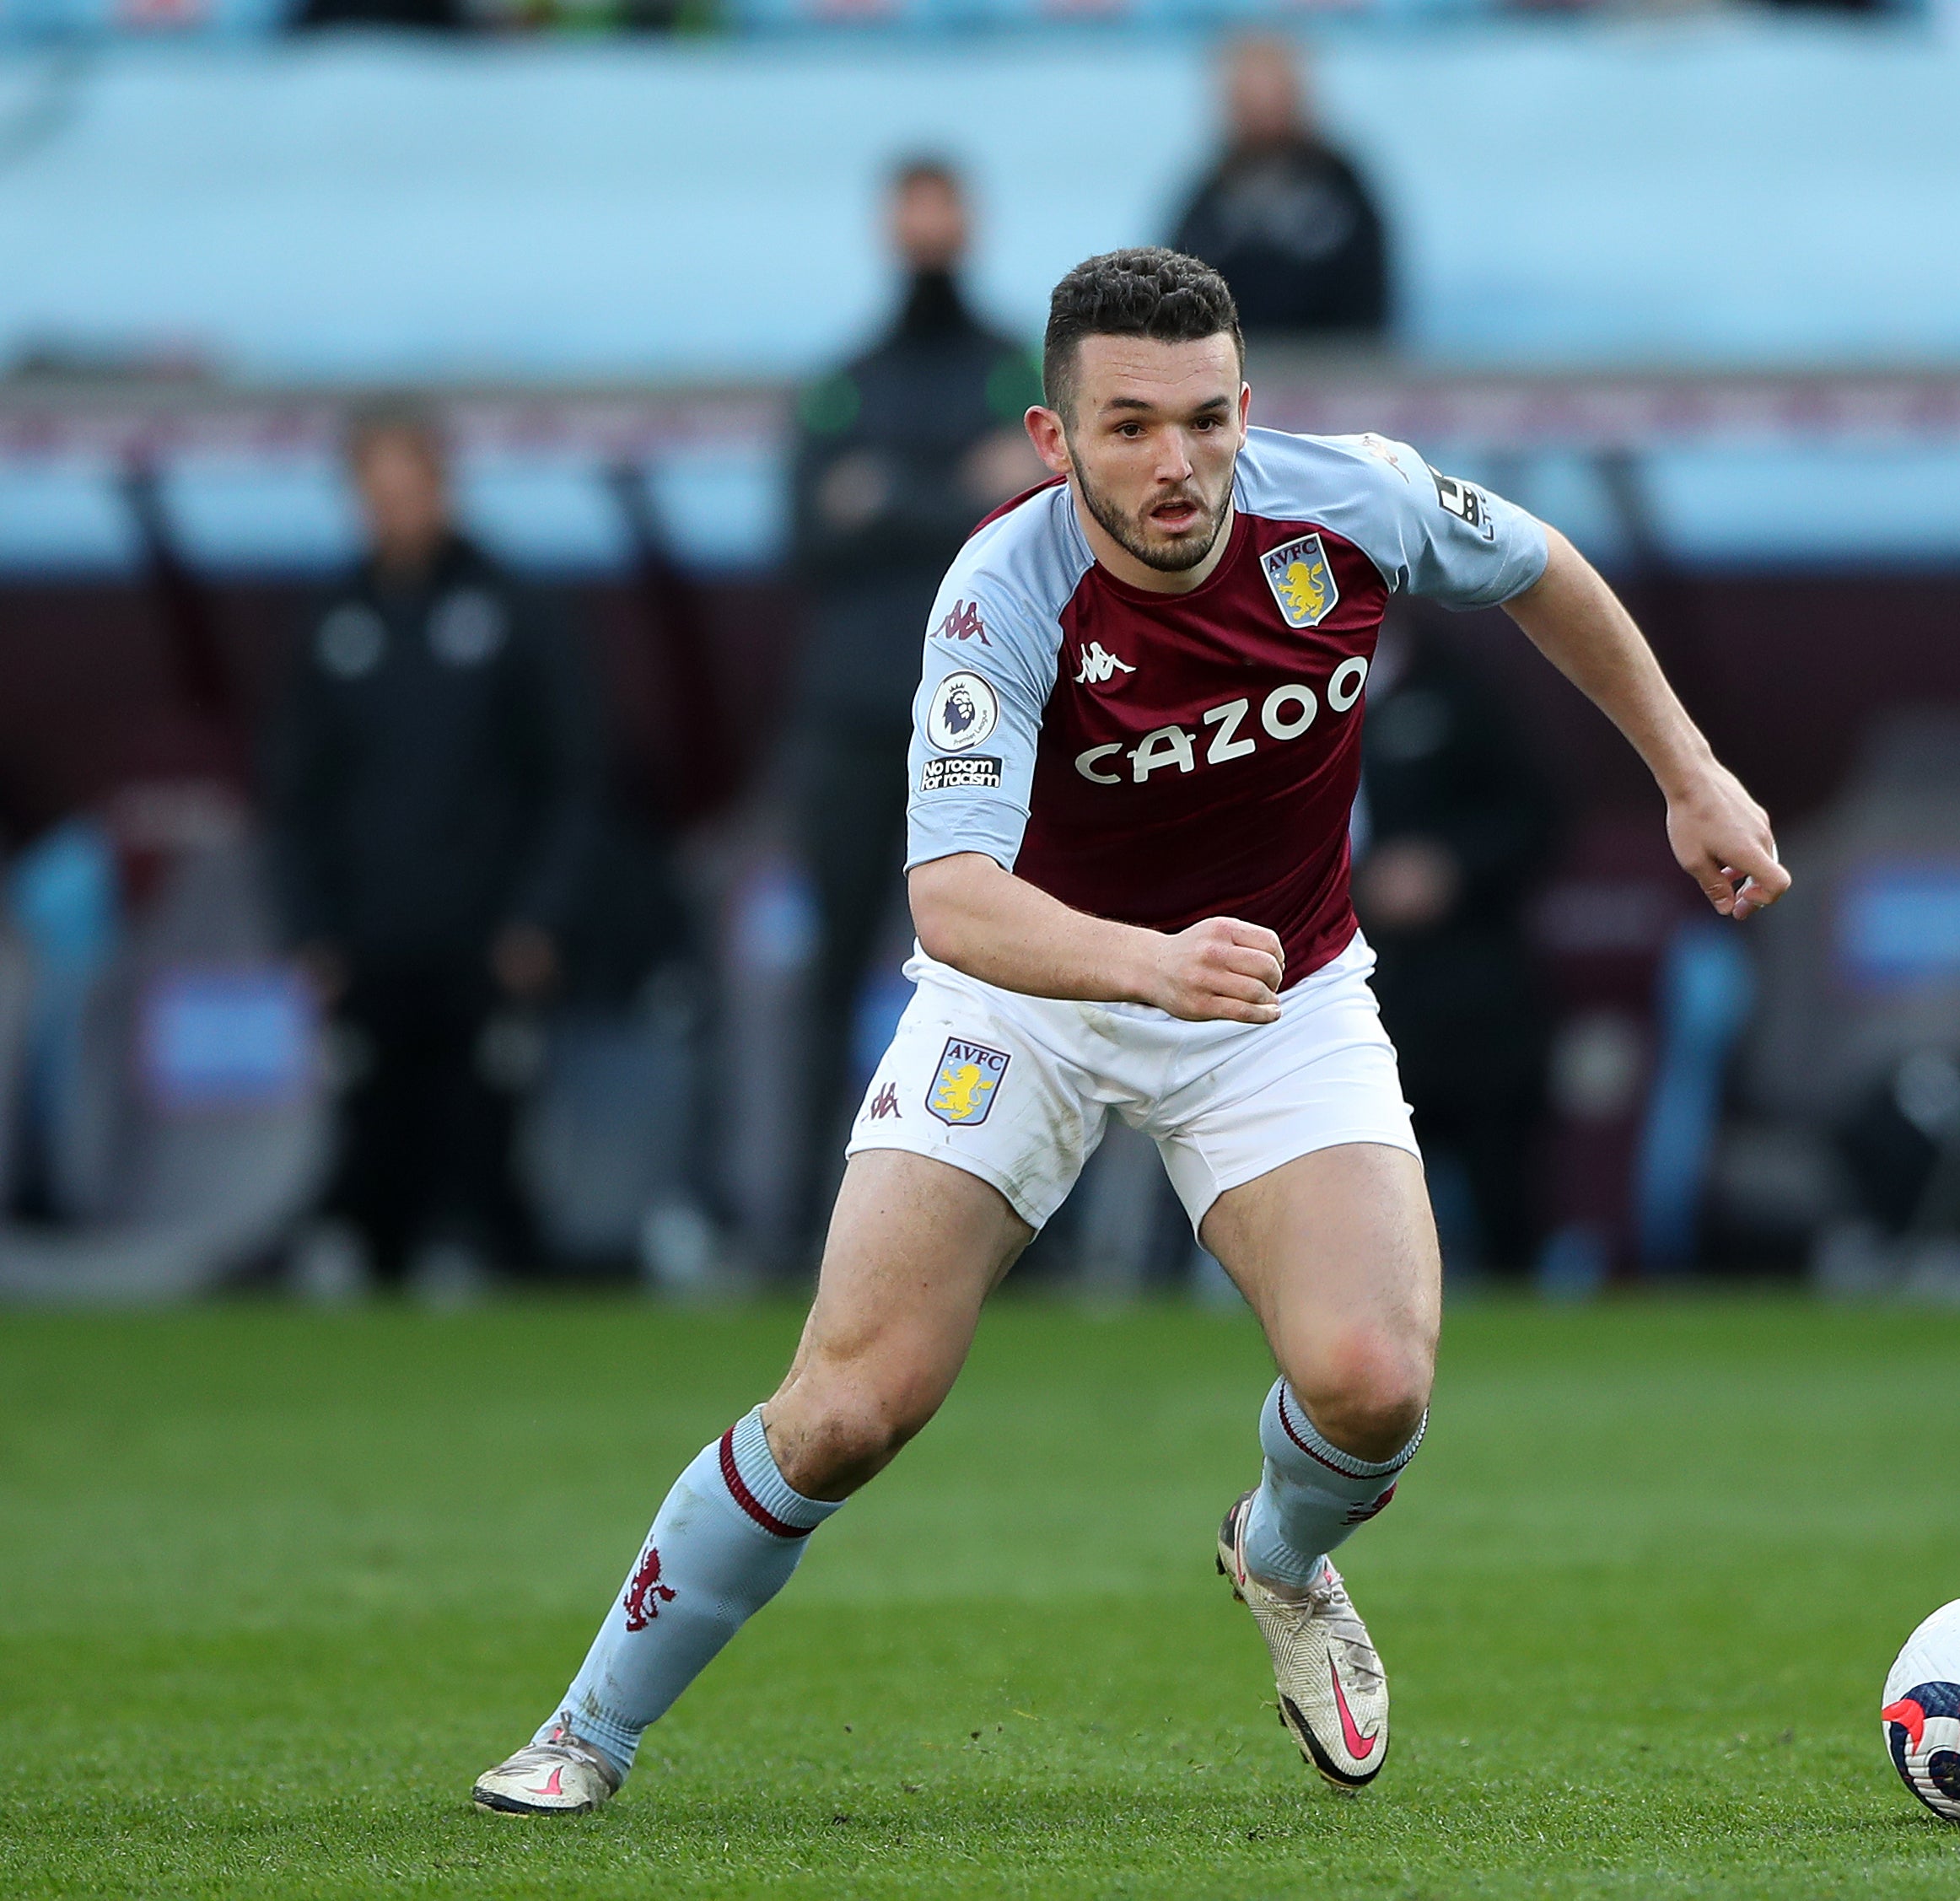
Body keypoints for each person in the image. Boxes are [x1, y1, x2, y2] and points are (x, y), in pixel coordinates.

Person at [470, 247, 1785, 1814]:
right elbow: (952, 897)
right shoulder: (1000, 587)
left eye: (1208, 419)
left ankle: (1279, 1556)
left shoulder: (1349, 501)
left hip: (1273, 995)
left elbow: (1541, 567)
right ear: (1052, 439)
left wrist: (1688, 771)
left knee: (1373, 1380)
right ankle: (586, 1729)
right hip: (1028, 995)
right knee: (844, 1407)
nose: (1178, 464)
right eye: (1130, 426)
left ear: (1250, 408)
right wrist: (1144, 963)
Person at [263, 403, 604, 1292]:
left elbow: (571, 777)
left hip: (485, 935)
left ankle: (496, 1272)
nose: (397, 509)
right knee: (373, 1129)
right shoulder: (331, 621)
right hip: (369, 938)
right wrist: (307, 927)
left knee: (484, 1133)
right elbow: (294, 795)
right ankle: (368, 1270)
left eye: (412, 488)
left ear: (443, 487)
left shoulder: (513, 609)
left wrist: (540, 914)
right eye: (378, 492)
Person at [785, 157, 1041, 1253]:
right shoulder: (840, 378)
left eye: (946, 204)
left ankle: (1018, 1224)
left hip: (988, 718)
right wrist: (952, 491)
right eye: (912, 205)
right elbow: (802, 536)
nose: (929, 226)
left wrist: (884, 491)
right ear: (889, 220)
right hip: (850, 720)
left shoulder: (1010, 371)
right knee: (831, 969)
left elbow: (1039, 512)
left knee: (1009, 975)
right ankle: (804, 1222)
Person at [1356, 616, 1555, 1271]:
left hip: (1464, 986)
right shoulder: (1268, 689)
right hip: (1339, 982)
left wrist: (1450, 867)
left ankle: (1520, 1310)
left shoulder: (1457, 690)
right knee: (1363, 1181)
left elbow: (1538, 814)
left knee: (1495, 1177)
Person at [1168, 36, 1390, 340]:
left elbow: (1370, 294)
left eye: (1273, 96)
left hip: (1333, 369)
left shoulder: (1342, 190)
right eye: (1249, 100)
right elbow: (1174, 300)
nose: (1263, 112)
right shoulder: (1209, 199)